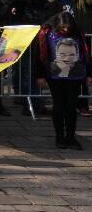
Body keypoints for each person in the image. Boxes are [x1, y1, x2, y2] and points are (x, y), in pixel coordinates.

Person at [36, 13, 92, 150]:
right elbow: (40, 54)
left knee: (71, 107)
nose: (66, 30)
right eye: (63, 28)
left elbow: (86, 54)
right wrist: (40, 75)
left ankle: (71, 137)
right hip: (55, 76)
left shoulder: (78, 33)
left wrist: (89, 74)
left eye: (68, 28)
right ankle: (59, 137)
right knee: (59, 106)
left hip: (75, 75)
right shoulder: (46, 32)